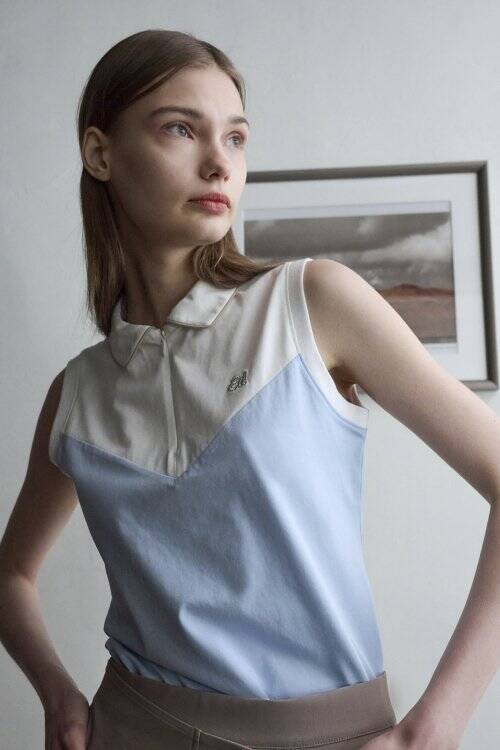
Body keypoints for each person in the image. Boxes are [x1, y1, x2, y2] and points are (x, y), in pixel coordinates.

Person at [1, 28, 499, 750]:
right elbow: (11, 573)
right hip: (131, 727)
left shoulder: (312, 302)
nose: (219, 163)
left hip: (335, 735)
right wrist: (57, 695)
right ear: (100, 153)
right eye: (181, 129)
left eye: (235, 138)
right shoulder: (77, 394)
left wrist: (434, 728)